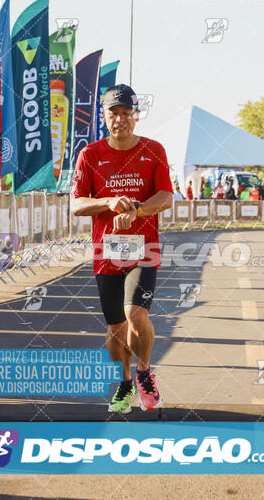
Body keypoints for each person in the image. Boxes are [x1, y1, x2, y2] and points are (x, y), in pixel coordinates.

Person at [69, 84, 173, 414]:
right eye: (114, 114)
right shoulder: (90, 155)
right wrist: (109, 201)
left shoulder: (154, 150)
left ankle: (144, 372)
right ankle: (125, 382)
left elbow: (166, 196)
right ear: (104, 117)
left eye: (126, 114)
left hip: (144, 249)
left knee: (135, 314)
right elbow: (76, 204)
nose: (120, 120)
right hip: (106, 253)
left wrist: (137, 211)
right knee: (115, 327)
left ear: (135, 117)